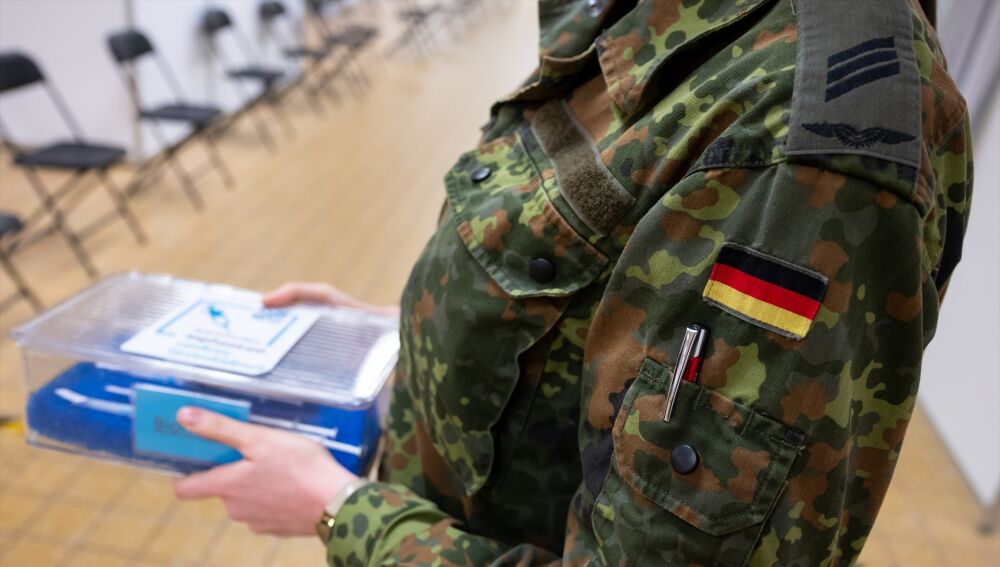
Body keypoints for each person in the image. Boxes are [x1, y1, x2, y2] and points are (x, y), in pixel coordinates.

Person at [172, 0, 974, 565]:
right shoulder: (684, 18)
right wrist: (422, 322)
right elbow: (601, 291)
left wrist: (341, 511)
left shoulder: (811, 134)